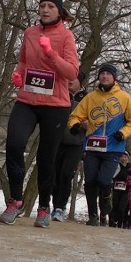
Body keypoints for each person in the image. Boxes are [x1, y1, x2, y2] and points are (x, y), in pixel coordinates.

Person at [0, 0, 80, 228]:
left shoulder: (66, 36)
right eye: (42, 6)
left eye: (50, 6)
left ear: (59, 11)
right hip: (27, 100)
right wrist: (19, 74)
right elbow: (23, 60)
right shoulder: (29, 33)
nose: (45, 10)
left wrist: (50, 54)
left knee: (46, 157)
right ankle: (15, 201)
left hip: (55, 105)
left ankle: (44, 207)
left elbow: (71, 73)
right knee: (14, 144)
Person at [68, 63, 131, 226]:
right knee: (90, 182)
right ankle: (93, 215)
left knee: (104, 180)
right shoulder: (90, 98)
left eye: (108, 74)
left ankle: (106, 199)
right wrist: (75, 125)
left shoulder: (125, 98)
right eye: (102, 73)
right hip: (92, 147)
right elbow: (75, 116)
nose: (105, 76)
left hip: (113, 148)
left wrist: (123, 133)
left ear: (114, 77)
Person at [50, 70, 88, 222]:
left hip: (76, 143)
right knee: (54, 176)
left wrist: (88, 125)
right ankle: (54, 206)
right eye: (67, 77)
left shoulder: (88, 98)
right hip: (56, 141)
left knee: (66, 174)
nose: (69, 80)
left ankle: (60, 208)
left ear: (80, 81)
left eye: (73, 78)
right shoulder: (58, 93)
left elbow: (98, 120)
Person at [109, 151, 131, 227]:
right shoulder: (116, 165)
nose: (123, 158)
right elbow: (112, 175)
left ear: (128, 158)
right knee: (115, 206)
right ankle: (113, 222)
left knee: (122, 208)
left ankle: (120, 223)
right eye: (122, 156)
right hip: (116, 189)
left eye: (125, 157)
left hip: (126, 190)